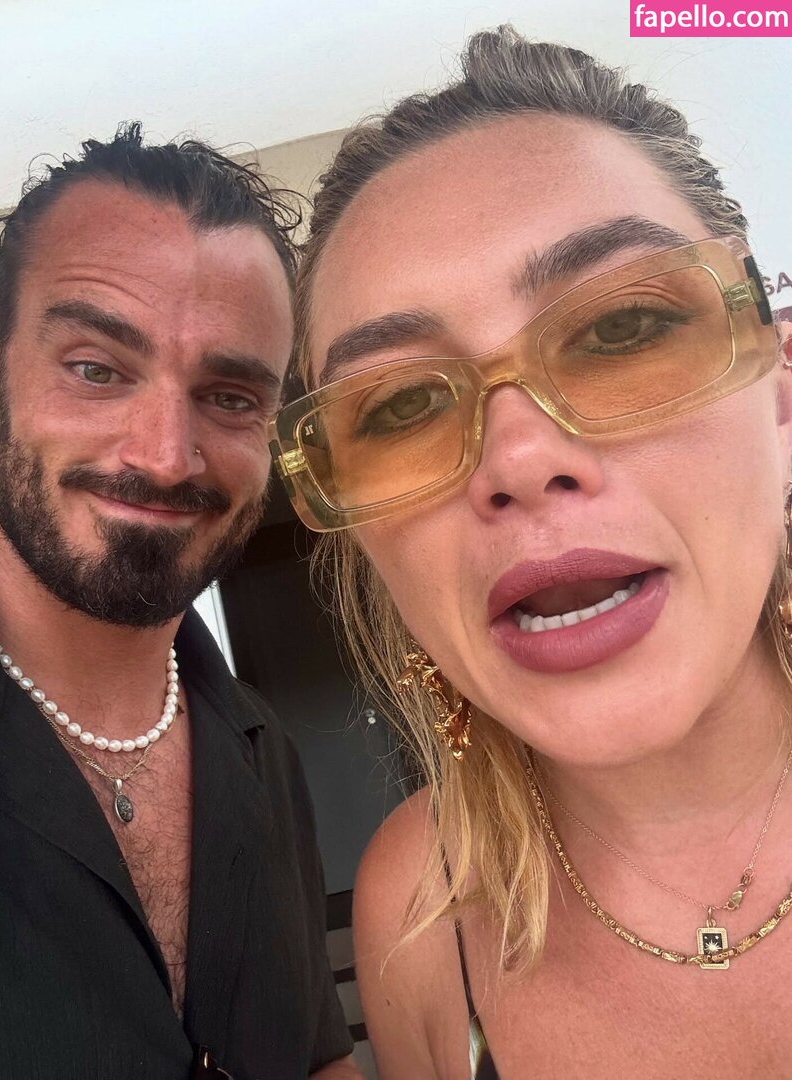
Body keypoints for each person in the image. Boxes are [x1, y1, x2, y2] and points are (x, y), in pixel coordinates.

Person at [270, 26, 792, 1079]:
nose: (516, 457)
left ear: (779, 400)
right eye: (402, 405)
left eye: (620, 329)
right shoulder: (417, 912)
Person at [0, 124, 359, 1080]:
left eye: (229, 396)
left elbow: (316, 1059)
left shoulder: (264, 751)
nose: (164, 457)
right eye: (97, 369)